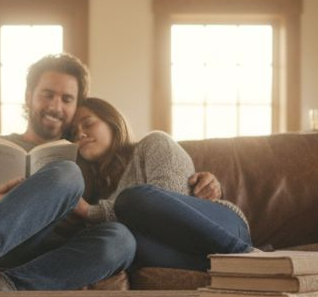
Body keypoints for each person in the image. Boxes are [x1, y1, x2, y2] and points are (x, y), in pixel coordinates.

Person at [0, 54, 136, 291]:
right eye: (47, 95)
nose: (55, 107)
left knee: (122, 239)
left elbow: (131, 201)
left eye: (67, 99)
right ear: (28, 97)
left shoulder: (86, 156)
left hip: (46, 259)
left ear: (76, 106)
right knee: (68, 173)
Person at [70, 96, 253, 271]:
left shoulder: (153, 143)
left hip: (220, 228)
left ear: (113, 123)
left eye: (88, 123)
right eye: (73, 133)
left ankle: (247, 256)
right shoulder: (94, 191)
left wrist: (90, 212)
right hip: (186, 253)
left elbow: (170, 196)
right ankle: (227, 267)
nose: (80, 133)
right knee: (124, 240)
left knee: (131, 198)